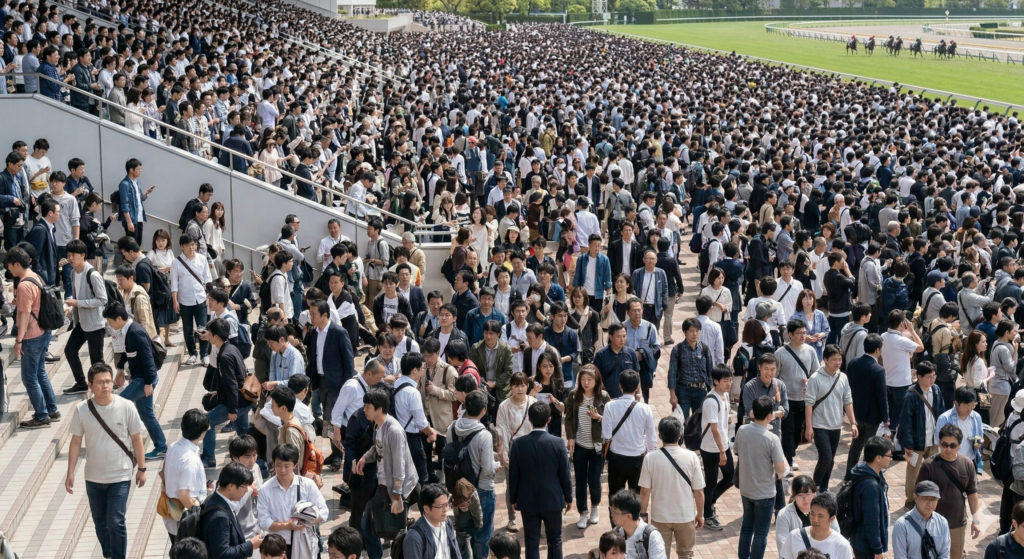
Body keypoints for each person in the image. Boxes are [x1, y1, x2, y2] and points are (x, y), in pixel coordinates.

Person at [65, 363, 146, 559]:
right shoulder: (82, 409)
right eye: (100, 382)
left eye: (108, 381)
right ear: (90, 385)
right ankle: (109, 555)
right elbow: (76, 442)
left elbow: (137, 438)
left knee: (116, 521)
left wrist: (142, 468)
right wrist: (70, 472)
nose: (106, 386)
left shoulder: (126, 406)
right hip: (93, 477)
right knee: (100, 523)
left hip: (120, 474)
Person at [354, 387, 419, 559]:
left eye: (368, 407)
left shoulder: (394, 431)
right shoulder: (378, 425)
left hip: (396, 488)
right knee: (369, 525)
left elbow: (399, 465)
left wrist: (397, 494)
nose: (364, 410)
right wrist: (365, 457)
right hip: (383, 485)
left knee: (397, 532)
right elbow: (378, 447)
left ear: (379, 408)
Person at [508, 401, 573, 559]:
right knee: (555, 539)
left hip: (527, 500)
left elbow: (513, 475)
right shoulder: (558, 443)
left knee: (531, 541)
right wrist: (569, 497)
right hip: (552, 500)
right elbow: (565, 474)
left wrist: (513, 499)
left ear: (529, 419)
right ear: (549, 419)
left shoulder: (518, 444)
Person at [105, 303, 167, 459]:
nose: (109, 325)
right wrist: (120, 370)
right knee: (146, 414)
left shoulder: (135, 332)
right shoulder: (127, 330)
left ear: (119, 319)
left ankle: (116, 442)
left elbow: (148, 358)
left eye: (110, 321)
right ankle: (161, 447)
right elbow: (127, 353)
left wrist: (148, 383)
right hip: (141, 378)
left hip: (143, 379)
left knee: (118, 404)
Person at [639, 416, 705, 558]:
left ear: (660, 436)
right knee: (686, 554)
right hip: (685, 516)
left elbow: (644, 491)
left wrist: (643, 514)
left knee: (660, 554)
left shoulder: (650, 458)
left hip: (660, 516)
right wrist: (700, 514)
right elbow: (699, 491)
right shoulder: (692, 457)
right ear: (680, 435)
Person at [916, 424, 982, 559]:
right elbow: (918, 495)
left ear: (959, 445)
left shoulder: (967, 464)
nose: (948, 449)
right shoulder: (928, 465)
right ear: (939, 443)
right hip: (932, 524)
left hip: (957, 523)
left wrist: (976, 521)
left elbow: (972, 494)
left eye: (953, 445)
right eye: (944, 445)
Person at [446, 390, 498, 559]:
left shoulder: (451, 429)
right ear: (484, 410)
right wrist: (497, 465)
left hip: (459, 489)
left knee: (463, 534)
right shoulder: (484, 435)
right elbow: (488, 469)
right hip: (481, 489)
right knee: (482, 535)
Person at [734, 395, 788, 559]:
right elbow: (781, 469)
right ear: (770, 416)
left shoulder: (742, 430)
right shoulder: (772, 439)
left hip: (746, 489)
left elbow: (736, 451)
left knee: (746, 527)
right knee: (761, 533)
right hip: (764, 493)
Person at [256, 443, 329, 558]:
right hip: (277, 547)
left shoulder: (307, 485)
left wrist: (305, 522)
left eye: (287, 466)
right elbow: (264, 522)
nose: (282, 470)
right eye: (278, 465)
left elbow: (324, 511)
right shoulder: (265, 489)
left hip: (304, 542)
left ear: (295, 465)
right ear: (273, 463)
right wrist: (287, 525)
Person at [57, 239, 108, 394]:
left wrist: (78, 303)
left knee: (96, 361)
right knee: (70, 350)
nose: (70, 258)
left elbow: (102, 299)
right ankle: (81, 383)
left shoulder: (93, 274)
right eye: (68, 255)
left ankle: (103, 389)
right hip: (81, 322)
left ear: (83, 255)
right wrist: (72, 307)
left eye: (74, 255)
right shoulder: (73, 272)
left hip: (95, 324)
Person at [804, 344, 856, 492]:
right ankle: (813, 488)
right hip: (819, 425)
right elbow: (809, 404)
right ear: (825, 359)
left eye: (840, 359)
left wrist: (853, 423)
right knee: (825, 458)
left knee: (831, 459)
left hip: (836, 425)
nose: (837, 362)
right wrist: (809, 427)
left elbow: (848, 400)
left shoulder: (843, 377)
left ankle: (824, 488)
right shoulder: (815, 378)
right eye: (834, 359)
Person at [566, 365, 611, 529]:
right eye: (583, 379)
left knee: (594, 481)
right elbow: (569, 418)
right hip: (579, 445)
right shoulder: (574, 395)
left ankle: (595, 506)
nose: (586, 383)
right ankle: (583, 512)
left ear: (596, 380)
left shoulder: (603, 396)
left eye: (589, 379)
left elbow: (611, 420)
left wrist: (599, 417)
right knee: (580, 481)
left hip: (597, 447)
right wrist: (570, 438)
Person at [202, 317, 251, 467]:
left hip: (237, 402)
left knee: (207, 423)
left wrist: (232, 410)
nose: (208, 335)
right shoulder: (232, 348)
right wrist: (218, 392)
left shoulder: (224, 356)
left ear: (216, 336)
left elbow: (231, 384)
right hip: (244, 399)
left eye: (210, 333)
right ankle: (252, 460)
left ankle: (209, 457)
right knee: (243, 433)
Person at [603, 370, 657, 500]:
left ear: (620, 386)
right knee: (636, 497)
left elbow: (606, 435)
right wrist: (650, 457)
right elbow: (651, 438)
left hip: (616, 458)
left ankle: (614, 514)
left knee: (615, 497)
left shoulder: (610, 406)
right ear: (637, 386)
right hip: (637, 459)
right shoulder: (645, 408)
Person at [776, 319, 821, 471]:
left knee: (797, 431)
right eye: (799, 333)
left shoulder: (810, 351)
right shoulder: (780, 353)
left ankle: (790, 453)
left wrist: (810, 382)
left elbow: (816, 373)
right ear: (790, 334)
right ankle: (789, 459)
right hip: (786, 399)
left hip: (804, 399)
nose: (803, 336)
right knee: (788, 431)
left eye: (804, 332)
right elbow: (775, 377)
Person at [496, 372, 538, 533]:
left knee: (533, 484)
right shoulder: (504, 406)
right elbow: (501, 431)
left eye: (523, 385)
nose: (520, 389)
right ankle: (512, 517)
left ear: (527, 386)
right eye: (516, 385)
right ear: (511, 387)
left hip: (531, 448)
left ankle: (531, 515)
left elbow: (539, 428)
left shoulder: (533, 403)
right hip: (513, 448)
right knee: (512, 484)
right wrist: (504, 454)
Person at [162, 409, 210, 544]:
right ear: (203, 433)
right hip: (186, 522)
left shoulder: (173, 446)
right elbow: (183, 495)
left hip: (172, 516)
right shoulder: (190, 460)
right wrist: (198, 519)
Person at [900, 362, 944, 509]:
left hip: (933, 440)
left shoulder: (936, 390)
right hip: (917, 443)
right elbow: (906, 422)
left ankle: (930, 498)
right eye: (929, 377)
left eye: (934, 376)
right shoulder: (911, 395)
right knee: (913, 474)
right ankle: (910, 500)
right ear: (919, 377)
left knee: (933, 471)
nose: (932, 379)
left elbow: (941, 413)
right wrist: (908, 444)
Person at [201, 461, 264, 559]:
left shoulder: (216, 499)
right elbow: (222, 554)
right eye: (244, 487)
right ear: (231, 486)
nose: (246, 491)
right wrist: (251, 545)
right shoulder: (219, 517)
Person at [846, 334, 889, 479]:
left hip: (856, 413)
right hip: (872, 415)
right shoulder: (878, 369)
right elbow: (882, 396)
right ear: (877, 349)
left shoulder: (853, 363)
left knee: (856, 444)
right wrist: (886, 418)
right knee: (870, 447)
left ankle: (849, 475)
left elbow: (848, 387)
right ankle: (865, 475)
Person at [698, 365, 734, 532]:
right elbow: (714, 429)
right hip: (711, 448)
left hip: (723, 444)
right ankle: (707, 515)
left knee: (730, 477)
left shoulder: (725, 395)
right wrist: (721, 451)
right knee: (711, 481)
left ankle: (710, 502)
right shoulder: (711, 401)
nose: (729, 383)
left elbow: (723, 422)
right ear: (716, 381)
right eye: (725, 380)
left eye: (730, 380)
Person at [881, 310, 924, 446]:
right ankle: (894, 443)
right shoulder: (902, 340)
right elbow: (921, 347)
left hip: (887, 381)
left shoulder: (883, 336)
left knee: (891, 413)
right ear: (902, 323)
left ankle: (887, 440)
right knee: (899, 415)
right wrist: (912, 330)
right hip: (901, 383)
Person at [849, 436, 893, 559]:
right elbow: (872, 520)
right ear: (878, 458)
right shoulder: (870, 486)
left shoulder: (868, 472)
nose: (891, 459)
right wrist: (877, 550)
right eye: (889, 456)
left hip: (862, 540)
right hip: (867, 545)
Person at [171, 233, 212, 366]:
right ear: (182, 246)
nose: (191, 247)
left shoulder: (202, 259)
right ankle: (192, 354)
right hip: (184, 301)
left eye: (193, 244)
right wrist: (175, 301)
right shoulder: (176, 263)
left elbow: (208, 279)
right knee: (188, 330)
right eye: (188, 245)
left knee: (203, 328)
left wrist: (209, 297)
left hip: (200, 299)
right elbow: (174, 284)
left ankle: (204, 355)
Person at [778, 492, 853, 559]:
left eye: (820, 516)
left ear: (832, 519)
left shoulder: (842, 546)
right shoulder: (794, 536)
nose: (815, 519)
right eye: (812, 513)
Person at [775, 476, 840, 551]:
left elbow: (836, 536)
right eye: (800, 495)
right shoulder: (784, 514)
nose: (805, 499)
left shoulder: (825, 510)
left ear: (814, 494)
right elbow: (783, 545)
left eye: (808, 494)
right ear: (794, 495)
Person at [667, 318, 715, 418]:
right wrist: (672, 394)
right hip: (683, 390)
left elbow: (710, 370)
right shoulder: (678, 349)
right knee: (682, 420)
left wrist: (712, 389)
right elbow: (672, 372)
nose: (695, 334)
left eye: (697, 331)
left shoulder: (704, 349)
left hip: (701, 390)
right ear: (685, 332)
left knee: (699, 421)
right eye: (691, 331)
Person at [891, 480, 951, 559]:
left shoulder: (942, 522)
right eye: (926, 499)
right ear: (916, 498)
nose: (930, 503)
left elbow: (944, 554)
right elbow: (900, 556)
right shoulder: (902, 525)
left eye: (933, 499)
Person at [935, 387, 986, 475]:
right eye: (967, 406)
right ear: (956, 403)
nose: (970, 409)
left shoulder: (976, 417)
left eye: (973, 405)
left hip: (970, 461)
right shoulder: (944, 418)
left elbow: (980, 437)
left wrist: (979, 443)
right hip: (950, 462)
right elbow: (938, 442)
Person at [404, 483, 462, 559]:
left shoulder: (447, 522)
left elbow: (456, 551)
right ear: (426, 509)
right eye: (441, 506)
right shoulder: (414, 537)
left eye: (447, 505)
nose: (445, 509)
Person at [117, 158, 154, 244]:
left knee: (138, 243)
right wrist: (129, 222)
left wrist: (147, 193)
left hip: (139, 217)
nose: (140, 171)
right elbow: (124, 205)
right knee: (132, 244)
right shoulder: (125, 184)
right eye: (138, 169)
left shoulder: (136, 182)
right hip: (132, 219)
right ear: (131, 170)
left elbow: (140, 199)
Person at [573, 234, 613, 313]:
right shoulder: (581, 259)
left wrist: (608, 295)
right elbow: (577, 276)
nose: (597, 248)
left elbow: (608, 278)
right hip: (584, 293)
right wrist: (576, 293)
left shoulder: (604, 259)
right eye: (595, 245)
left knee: (596, 316)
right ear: (589, 245)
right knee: (582, 315)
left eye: (599, 245)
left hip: (598, 294)